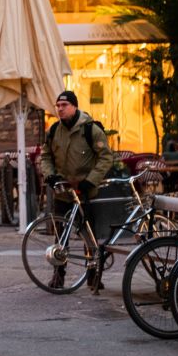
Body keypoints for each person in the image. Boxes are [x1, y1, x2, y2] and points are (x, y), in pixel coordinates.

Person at [40, 90, 115, 289]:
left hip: (85, 192)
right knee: (60, 236)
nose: (60, 109)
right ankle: (58, 275)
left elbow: (106, 157)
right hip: (63, 192)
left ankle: (93, 275)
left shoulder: (90, 129)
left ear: (74, 107)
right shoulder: (54, 130)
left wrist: (91, 180)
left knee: (88, 235)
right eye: (58, 106)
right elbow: (46, 155)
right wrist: (50, 175)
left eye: (64, 106)